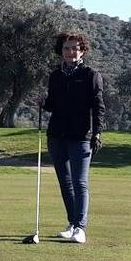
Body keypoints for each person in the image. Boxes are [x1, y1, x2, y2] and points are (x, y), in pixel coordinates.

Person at [41, 31, 105, 244]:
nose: (70, 52)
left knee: (80, 182)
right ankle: (71, 224)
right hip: (56, 135)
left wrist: (97, 132)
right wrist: (43, 103)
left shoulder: (91, 75)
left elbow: (98, 107)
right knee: (65, 183)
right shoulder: (55, 76)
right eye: (67, 48)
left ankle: (81, 227)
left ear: (82, 51)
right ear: (61, 51)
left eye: (75, 48)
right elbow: (53, 104)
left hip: (81, 136)